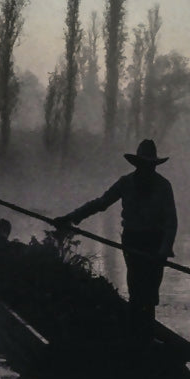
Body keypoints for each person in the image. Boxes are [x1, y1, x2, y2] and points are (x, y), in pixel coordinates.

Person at [54, 138, 177, 336]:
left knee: (151, 293)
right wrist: (71, 217)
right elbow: (101, 203)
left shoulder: (163, 186)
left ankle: (144, 332)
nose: (147, 169)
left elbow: (171, 222)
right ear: (137, 165)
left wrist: (163, 251)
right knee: (137, 289)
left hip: (155, 244)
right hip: (133, 242)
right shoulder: (126, 183)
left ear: (154, 165)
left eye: (150, 165)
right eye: (144, 165)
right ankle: (137, 334)